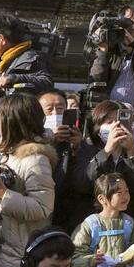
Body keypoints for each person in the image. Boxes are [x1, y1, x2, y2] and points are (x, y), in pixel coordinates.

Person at [0, 93, 57, 267]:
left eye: (0, 115)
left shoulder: (35, 160)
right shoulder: (4, 153)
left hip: (20, 256)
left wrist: (3, 194)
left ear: (12, 120)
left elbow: (43, 208)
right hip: (0, 253)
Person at [85, 100, 134, 225]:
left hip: (131, 222)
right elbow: (84, 182)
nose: (116, 127)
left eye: (120, 122)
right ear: (97, 128)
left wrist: (131, 152)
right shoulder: (88, 151)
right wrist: (106, 151)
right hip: (97, 222)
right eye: (109, 122)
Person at [38, 89, 95, 234]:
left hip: (73, 216)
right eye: (49, 109)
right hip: (44, 213)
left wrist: (78, 147)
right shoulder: (33, 144)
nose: (55, 114)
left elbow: (85, 181)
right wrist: (51, 142)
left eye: (60, 108)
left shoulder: (83, 144)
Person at [89, 3, 134, 106]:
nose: (132, 26)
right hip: (110, 112)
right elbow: (95, 80)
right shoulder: (110, 49)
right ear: (119, 23)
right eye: (127, 22)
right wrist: (103, 51)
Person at [0, 14, 52, 107]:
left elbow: (47, 82)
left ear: (1, 39)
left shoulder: (31, 58)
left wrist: (13, 78)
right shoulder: (4, 64)